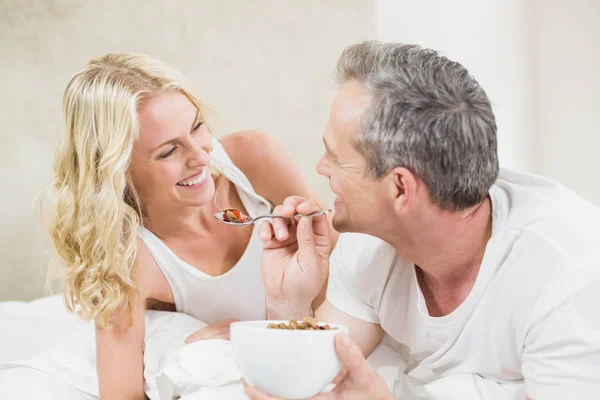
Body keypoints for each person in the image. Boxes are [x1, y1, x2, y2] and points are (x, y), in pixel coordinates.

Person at [246, 41, 600, 399]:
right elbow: (313, 375)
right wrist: (288, 302)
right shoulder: (368, 243)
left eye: (335, 157)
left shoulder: (568, 273)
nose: (320, 168)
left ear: (400, 187)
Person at [40, 52, 334, 400]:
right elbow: (122, 394)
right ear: (117, 170)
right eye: (168, 152)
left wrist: (264, 329)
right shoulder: (130, 259)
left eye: (197, 127)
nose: (200, 157)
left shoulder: (254, 160)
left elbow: (343, 283)